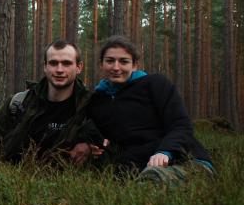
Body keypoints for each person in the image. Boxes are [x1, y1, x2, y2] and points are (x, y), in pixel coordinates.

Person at [0, 39, 101, 164]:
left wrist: (89, 145)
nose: (59, 69)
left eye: (66, 63)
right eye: (53, 63)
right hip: (17, 182)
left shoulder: (93, 108)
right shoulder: (20, 103)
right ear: (45, 67)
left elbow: (110, 146)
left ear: (79, 67)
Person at [88, 35, 213, 183]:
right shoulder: (98, 100)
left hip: (183, 159)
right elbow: (97, 134)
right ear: (101, 65)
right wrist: (95, 145)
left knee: (152, 180)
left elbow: (181, 124)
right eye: (110, 61)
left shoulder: (155, 84)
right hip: (136, 167)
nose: (116, 67)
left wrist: (165, 152)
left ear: (134, 65)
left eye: (124, 61)